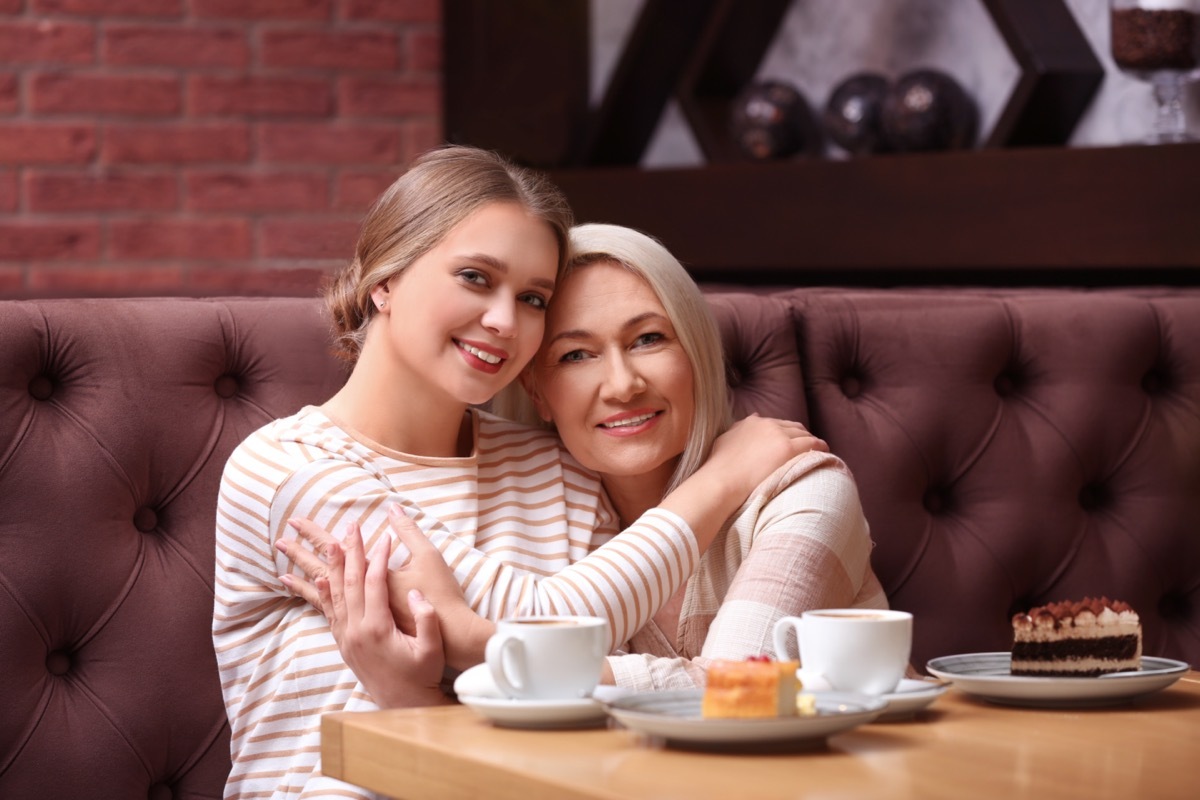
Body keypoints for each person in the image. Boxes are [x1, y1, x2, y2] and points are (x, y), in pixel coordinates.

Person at [213, 148, 817, 800]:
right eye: (475, 277)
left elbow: (597, 716)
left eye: (533, 298)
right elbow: (542, 626)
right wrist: (722, 480)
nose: (505, 321)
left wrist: (418, 700)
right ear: (382, 279)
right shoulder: (289, 470)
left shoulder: (557, 473)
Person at [283, 222, 887, 699]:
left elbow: (733, 693)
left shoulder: (803, 488)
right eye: (576, 355)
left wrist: (477, 643)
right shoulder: (548, 519)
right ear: (539, 392)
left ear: (696, 354)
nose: (622, 384)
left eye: (649, 339)